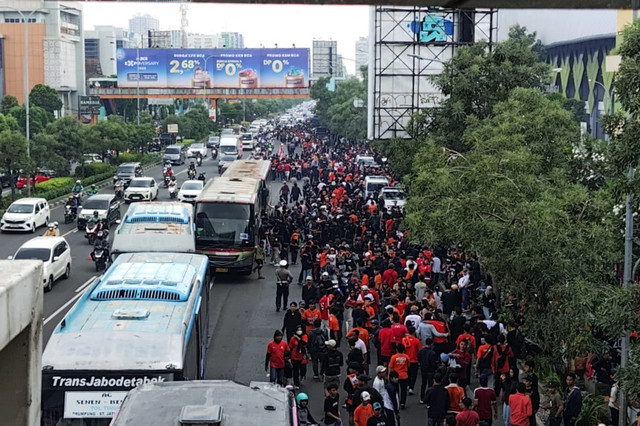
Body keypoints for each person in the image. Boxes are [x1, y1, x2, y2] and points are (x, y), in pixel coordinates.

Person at [389, 344, 410, 408]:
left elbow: (390, 367)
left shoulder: (393, 357)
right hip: (404, 375)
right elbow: (408, 365)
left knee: (396, 389)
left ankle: (397, 401)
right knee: (403, 390)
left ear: (396, 350)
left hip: (395, 376)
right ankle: (403, 402)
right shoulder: (406, 357)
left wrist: (389, 376)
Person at [418, 338, 439, 404]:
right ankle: (429, 400)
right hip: (430, 370)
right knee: (430, 385)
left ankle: (422, 398)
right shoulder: (432, 353)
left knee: (423, 384)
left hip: (423, 369)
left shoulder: (420, 351)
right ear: (431, 344)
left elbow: (419, 359)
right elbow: (433, 363)